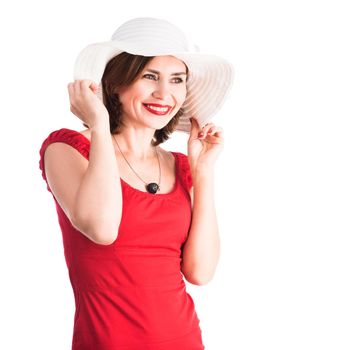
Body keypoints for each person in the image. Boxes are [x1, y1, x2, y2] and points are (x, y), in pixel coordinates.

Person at [38, 17, 234, 350]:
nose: (164, 93)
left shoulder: (182, 166)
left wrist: (204, 174)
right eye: (150, 76)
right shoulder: (68, 148)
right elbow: (101, 228)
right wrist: (99, 124)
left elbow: (200, 272)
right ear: (116, 82)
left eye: (177, 80)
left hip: (185, 340)